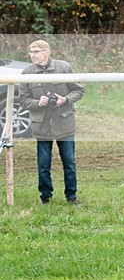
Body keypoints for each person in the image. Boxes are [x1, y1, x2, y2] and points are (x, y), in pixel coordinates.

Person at [18, 40, 85, 204]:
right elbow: (23, 100)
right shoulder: (27, 73)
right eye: (31, 52)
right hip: (42, 125)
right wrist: (37, 103)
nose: (33, 55)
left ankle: (72, 197)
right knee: (43, 165)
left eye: (36, 51)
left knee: (69, 163)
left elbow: (79, 90)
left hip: (64, 123)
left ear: (47, 52)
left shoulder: (64, 67)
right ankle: (45, 197)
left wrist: (65, 99)